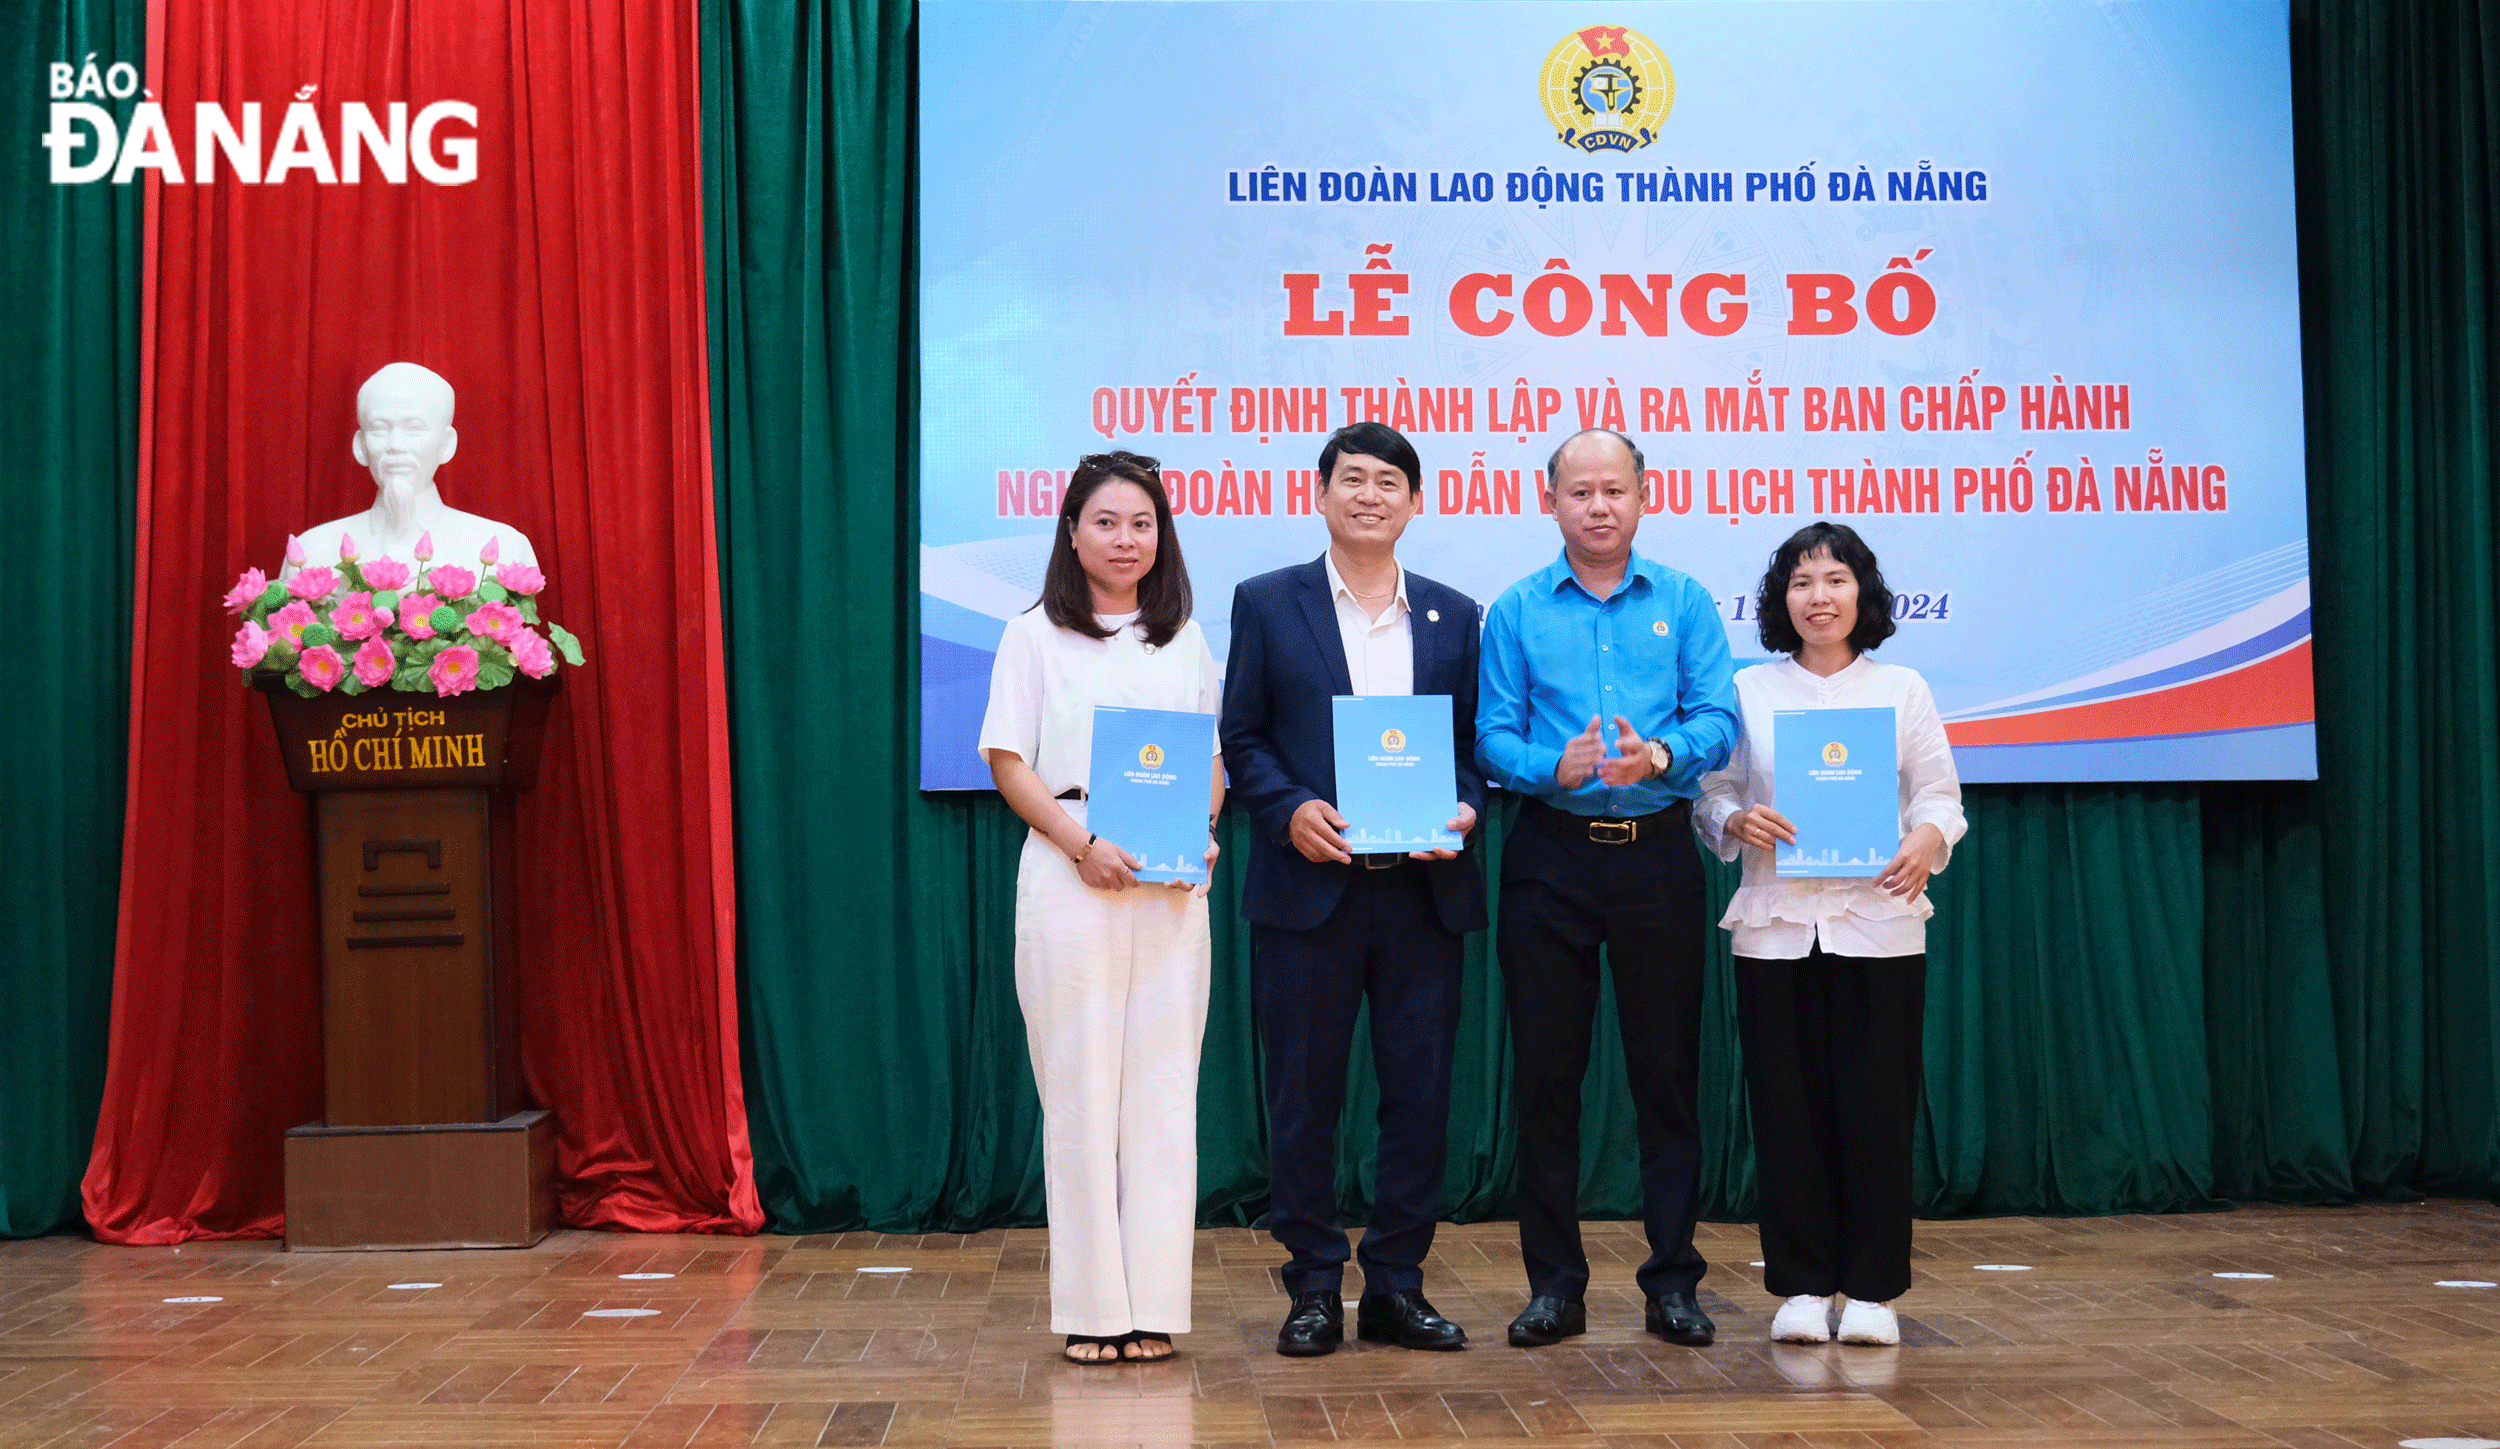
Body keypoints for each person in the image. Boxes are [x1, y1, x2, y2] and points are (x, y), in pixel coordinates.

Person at [1220, 422, 1486, 1358]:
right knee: (1304, 1096)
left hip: (1422, 896)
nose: (1371, 495)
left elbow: (1472, 754)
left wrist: (1463, 807)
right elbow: (1242, 735)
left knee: (1418, 1095)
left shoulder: (1457, 614)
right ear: (1320, 492)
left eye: (1390, 482)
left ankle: (1399, 1285)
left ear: (1418, 502)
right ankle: (1313, 1286)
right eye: (1353, 479)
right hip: (1307, 890)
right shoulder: (1266, 602)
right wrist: (1288, 807)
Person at [1476, 428, 1737, 1350]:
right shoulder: (1514, 610)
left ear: (1642, 496)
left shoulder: (1685, 600)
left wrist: (1660, 753)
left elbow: (1718, 715)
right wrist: (1555, 763)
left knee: (1666, 1077)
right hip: (1550, 856)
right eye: (1579, 491)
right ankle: (1554, 1285)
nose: (1598, 505)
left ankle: (1673, 1280)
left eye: (1614, 489)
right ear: (1548, 501)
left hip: (1660, 855)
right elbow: (1490, 737)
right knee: (1548, 1079)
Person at [977, 452, 1225, 1364]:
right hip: (1070, 872)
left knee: (1162, 1096)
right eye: (1108, 522)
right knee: (1080, 1096)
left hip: (1168, 889)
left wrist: (1202, 829)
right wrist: (1082, 846)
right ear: (1072, 531)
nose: (1127, 540)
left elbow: (1208, 760)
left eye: (1143, 524)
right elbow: (1009, 761)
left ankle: (1155, 1302)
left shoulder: (1185, 637)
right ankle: (1091, 1307)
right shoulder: (1033, 634)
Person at [1696, 521, 1965, 1348]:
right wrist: (1738, 816)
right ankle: (1804, 1284)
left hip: (1878, 926)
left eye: (1836, 580)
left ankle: (1876, 1290)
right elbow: (1711, 794)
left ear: (1863, 594)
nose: (1820, 597)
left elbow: (1940, 797)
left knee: (1878, 1110)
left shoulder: (1905, 688)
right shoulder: (1749, 692)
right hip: (1775, 928)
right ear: (1782, 599)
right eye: (1802, 581)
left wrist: (1927, 839)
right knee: (1787, 1109)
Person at [290, 362, 536, 576]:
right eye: (380, 428)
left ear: (447, 444)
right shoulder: (311, 552)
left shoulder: (505, 549)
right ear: (360, 446)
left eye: (414, 428)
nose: (395, 446)